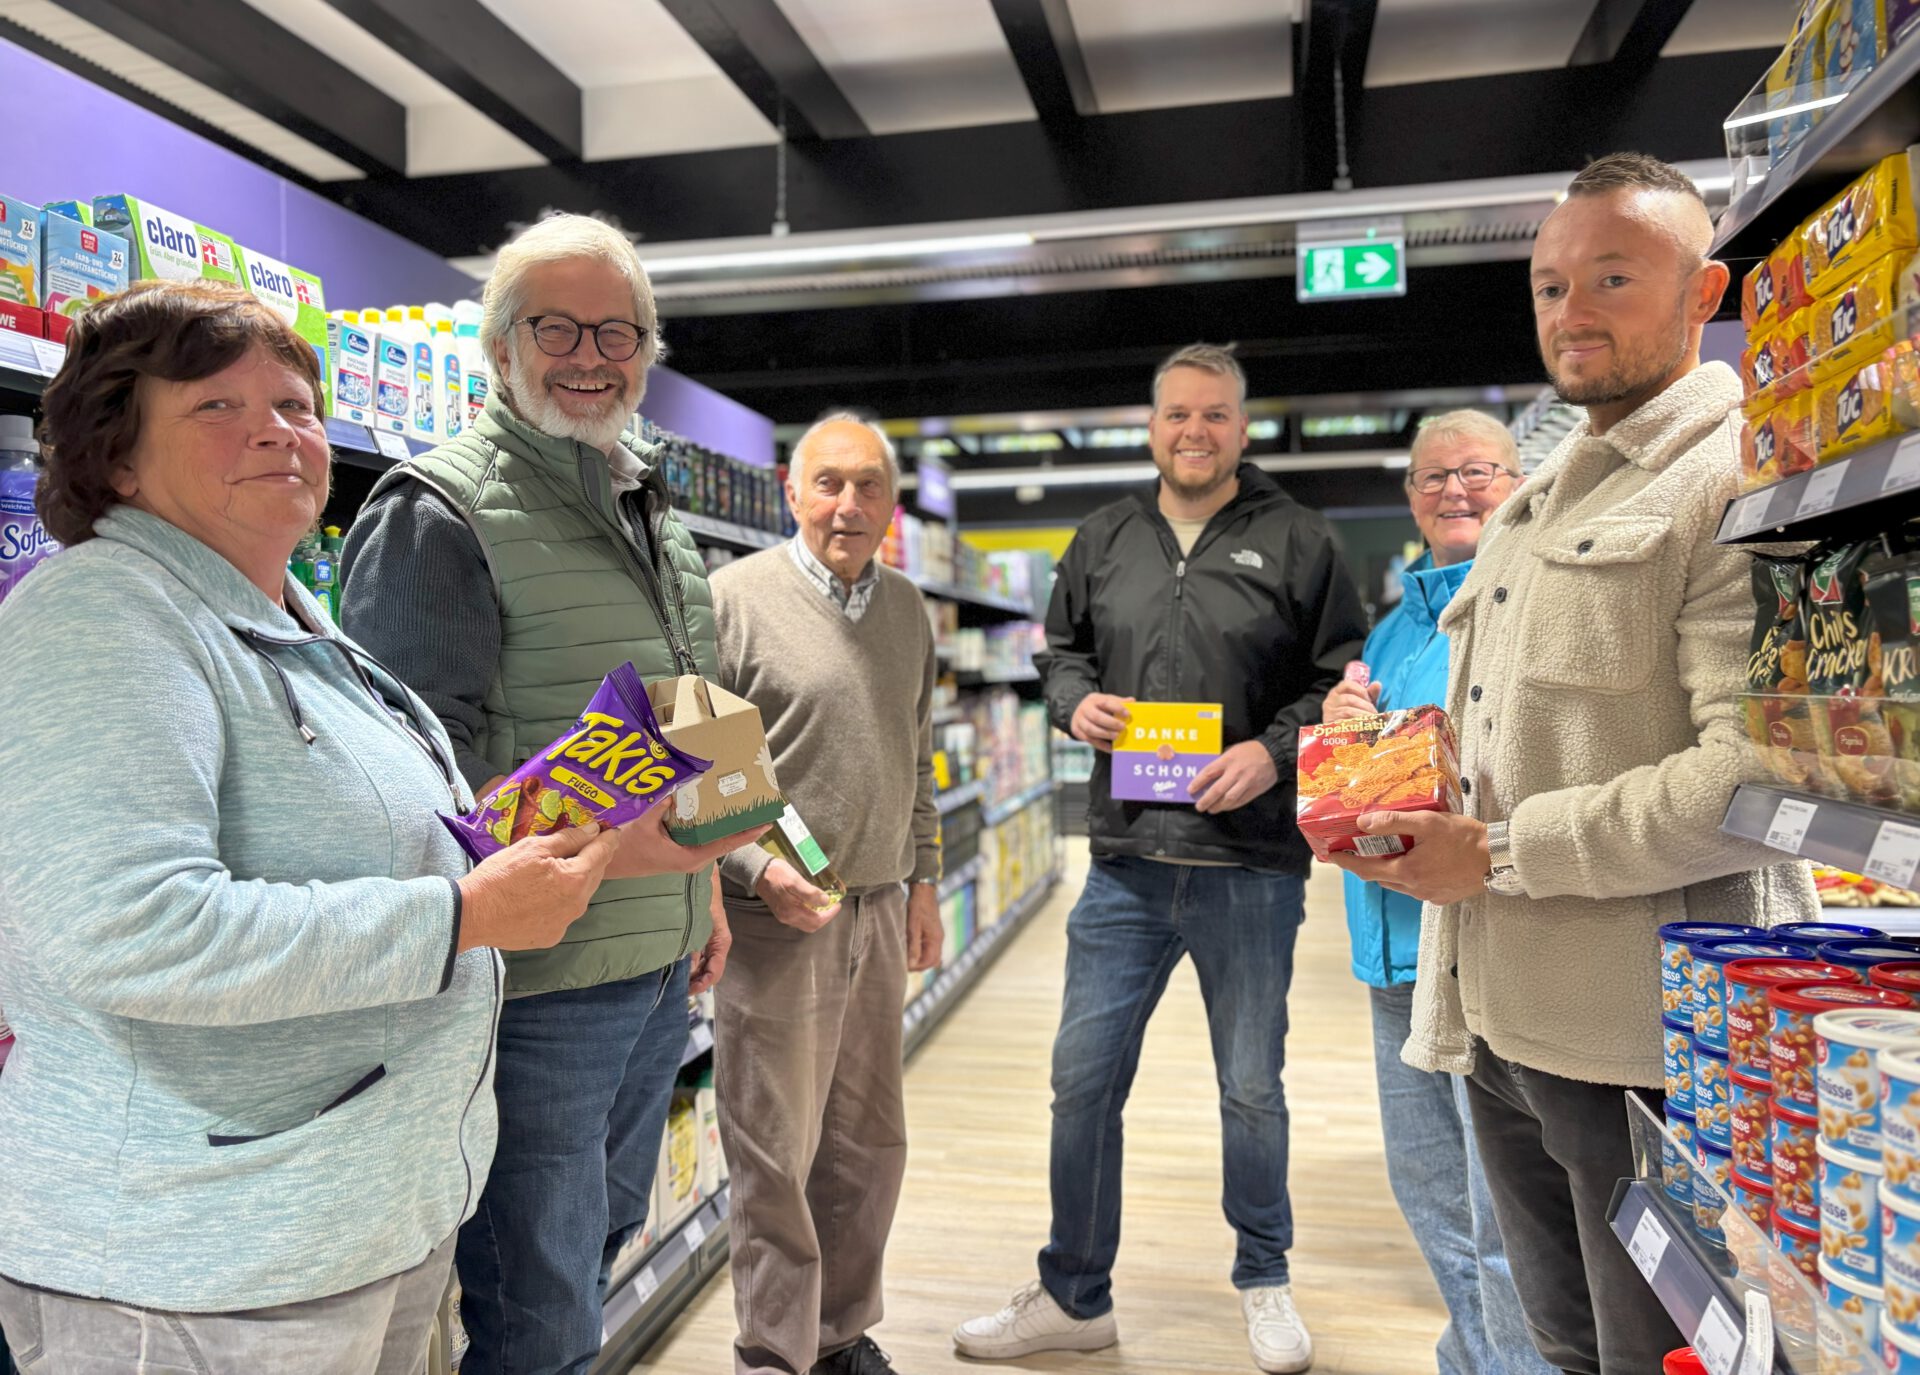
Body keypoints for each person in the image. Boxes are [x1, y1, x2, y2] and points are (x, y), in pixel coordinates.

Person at [0, 280, 621, 1371]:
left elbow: (387, 835)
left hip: (345, 1221)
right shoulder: (101, 616)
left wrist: (603, 838)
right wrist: (461, 915)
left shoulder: (291, 615)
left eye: (294, 404)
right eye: (216, 408)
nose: (277, 431)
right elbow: (130, 929)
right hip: (196, 1260)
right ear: (118, 456)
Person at [1326, 153, 1819, 1374]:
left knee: (1658, 1354)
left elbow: (1751, 779)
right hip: (1501, 1023)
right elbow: (1513, 725)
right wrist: (1397, 776)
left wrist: (1491, 851)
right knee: (1555, 1341)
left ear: (1704, 291)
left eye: (1612, 277)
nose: (1572, 311)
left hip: (1644, 1050)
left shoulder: (1741, 480)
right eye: (1551, 285)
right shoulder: (1536, 503)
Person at [340, 213, 765, 1375]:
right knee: (537, 1312)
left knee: (593, 1255)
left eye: (617, 331)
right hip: (533, 991)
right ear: (500, 346)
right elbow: (403, 797)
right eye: (557, 326)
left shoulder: (652, 507)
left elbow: (689, 723)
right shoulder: (438, 511)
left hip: (650, 967)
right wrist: (631, 865)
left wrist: (708, 892)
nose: (591, 354)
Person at [955, 343, 1368, 1374]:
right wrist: (1068, 700)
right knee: (1081, 1081)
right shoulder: (1102, 538)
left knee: (1250, 1088)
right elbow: (1060, 652)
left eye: (1216, 415)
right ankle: (1072, 1293)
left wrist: (1269, 756)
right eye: (1178, 414)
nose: (1196, 431)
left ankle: (1263, 1279)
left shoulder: (1302, 540)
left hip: (1252, 867)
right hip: (1127, 865)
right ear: (1153, 426)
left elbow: (1338, 685)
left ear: (1242, 426)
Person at [708, 413, 944, 1375]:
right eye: (830, 484)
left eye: (869, 487)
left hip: (882, 910)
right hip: (776, 921)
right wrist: (756, 869)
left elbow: (916, 757)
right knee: (774, 1150)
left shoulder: (908, 608)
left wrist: (923, 878)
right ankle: (774, 1351)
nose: (849, 505)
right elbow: (699, 773)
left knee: (866, 1144)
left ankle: (842, 1335)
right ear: (792, 491)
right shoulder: (732, 600)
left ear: (891, 504)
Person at [1321, 410, 1549, 1375]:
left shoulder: (1530, 601)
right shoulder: (1394, 622)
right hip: (1388, 950)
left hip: (1476, 947)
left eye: (1478, 472)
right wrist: (1344, 724)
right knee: (1432, 1192)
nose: (1454, 490)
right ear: (1410, 496)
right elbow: (1370, 774)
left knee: (1503, 1211)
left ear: (1518, 481)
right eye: (1433, 477)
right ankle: (1476, 1355)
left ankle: (1514, 1363)